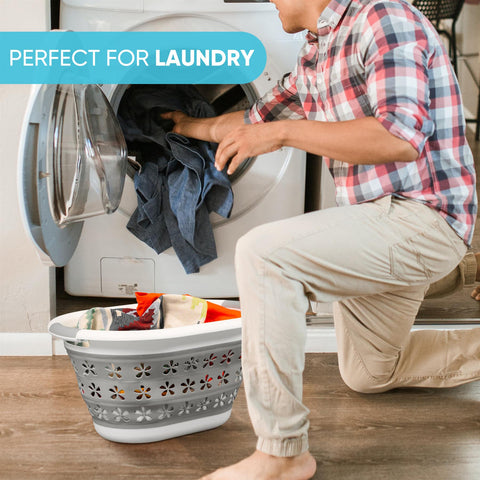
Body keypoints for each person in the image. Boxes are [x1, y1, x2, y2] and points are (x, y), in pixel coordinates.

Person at [163, 0, 479, 478]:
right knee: (370, 372)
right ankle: (468, 274)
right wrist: (186, 127)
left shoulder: (383, 17)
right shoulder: (315, 53)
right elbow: (254, 121)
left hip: (423, 218)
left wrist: (284, 135)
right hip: (377, 222)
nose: (269, 2)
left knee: (264, 255)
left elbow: (400, 136)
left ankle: (282, 452)